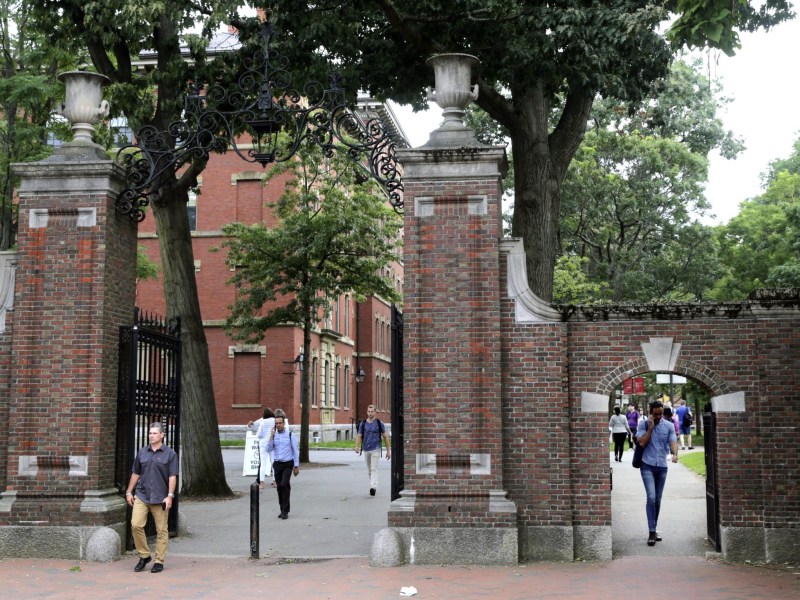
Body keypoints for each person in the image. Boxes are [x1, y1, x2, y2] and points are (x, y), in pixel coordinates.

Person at [125, 422, 179, 573]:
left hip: (160, 497)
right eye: (150, 433)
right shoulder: (142, 452)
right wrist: (129, 492)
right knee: (136, 525)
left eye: (155, 433)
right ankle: (144, 555)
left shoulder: (170, 454)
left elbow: (172, 476)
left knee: (161, 530)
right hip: (142, 495)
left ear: (162, 435)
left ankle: (159, 561)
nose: (151, 435)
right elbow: (136, 473)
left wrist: (170, 496)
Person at [636, 401, 678, 547]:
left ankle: (654, 528)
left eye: (660, 414)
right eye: (655, 414)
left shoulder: (669, 426)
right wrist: (650, 428)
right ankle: (651, 531)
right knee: (651, 498)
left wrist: (675, 454)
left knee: (658, 500)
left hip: (662, 467)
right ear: (650, 412)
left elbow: (673, 441)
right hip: (646, 465)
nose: (658, 416)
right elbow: (642, 442)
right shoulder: (643, 424)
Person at [267, 414, 299, 519]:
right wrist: (271, 436)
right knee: (279, 487)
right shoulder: (274, 435)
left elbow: (295, 451)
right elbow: (268, 449)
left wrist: (296, 466)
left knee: (285, 484)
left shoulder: (290, 435)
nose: (278, 425)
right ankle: (282, 510)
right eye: (276, 423)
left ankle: (286, 510)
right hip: (277, 464)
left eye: (280, 423)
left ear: (284, 424)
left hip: (287, 464)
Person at [354, 404, 391, 496]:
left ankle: (373, 487)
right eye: (369, 411)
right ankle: (373, 484)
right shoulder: (363, 423)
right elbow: (359, 435)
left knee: (374, 468)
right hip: (366, 449)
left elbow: (385, 436)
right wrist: (356, 446)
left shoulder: (379, 423)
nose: (370, 413)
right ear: (367, 412)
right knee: (370, 469)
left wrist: (388, 451)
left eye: (372, 411)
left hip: (376, 449)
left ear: (375, 412)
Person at [248, 408, 275, 488]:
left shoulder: (263, 422)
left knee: (263, 464)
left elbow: (259, 434)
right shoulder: (275, 421)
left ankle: (262, 483)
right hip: (272, 443)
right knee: (274, 463)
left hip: (263, 444)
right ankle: (275, 482)